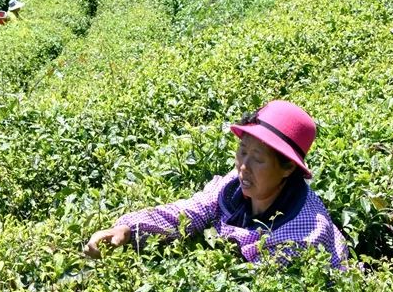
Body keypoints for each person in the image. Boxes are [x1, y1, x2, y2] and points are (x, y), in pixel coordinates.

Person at [85, 100, 349, 267]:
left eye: (258, 158)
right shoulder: (234, 186)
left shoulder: (302, 234)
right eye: (242, 151)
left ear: (288, 167)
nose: (243, 166)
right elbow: (189, 212)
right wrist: (127, 229)